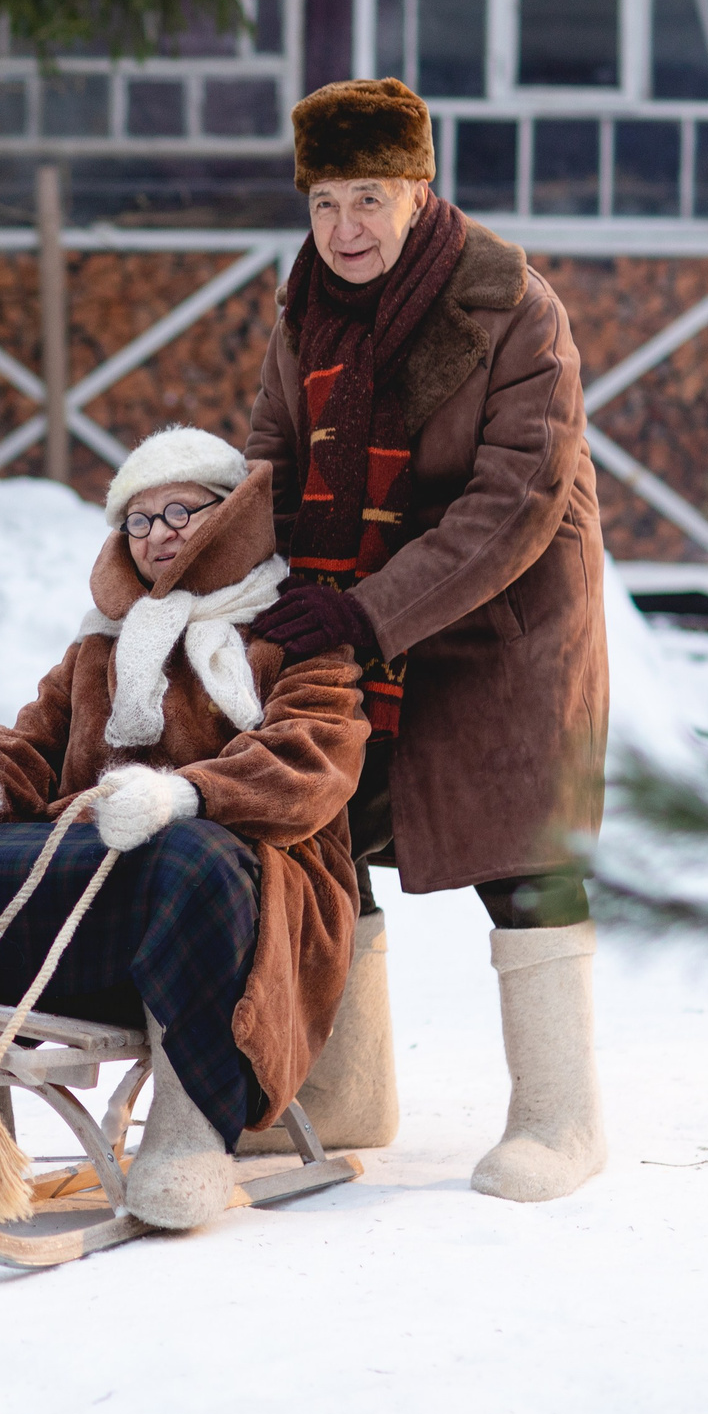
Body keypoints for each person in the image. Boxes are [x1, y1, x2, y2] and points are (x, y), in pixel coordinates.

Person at [0, 425, 366, 1231]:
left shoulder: (289, 629)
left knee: (185, 858)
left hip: (246, 883)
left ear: (232, 515)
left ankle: (188, 1132)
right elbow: (32, 738)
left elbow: (313, 756)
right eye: (138, 519)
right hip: (99, 884)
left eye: (181, 510)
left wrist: (185, 794)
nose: (158, 533)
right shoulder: (102, 644)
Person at [245, 76, 610, 1203]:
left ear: (419, 190)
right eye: (324, 203)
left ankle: (560, 1118)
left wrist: (365, 614)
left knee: (522, 853)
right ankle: (347, 1093)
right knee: (322, 826)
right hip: (351, 618)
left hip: (502, 626)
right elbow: (270, 460)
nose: (344, 228)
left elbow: (517, 499)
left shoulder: (513, 305)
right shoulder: (304, 310)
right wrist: (216, 574)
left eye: (369, 198)